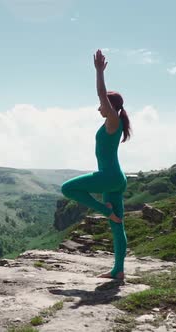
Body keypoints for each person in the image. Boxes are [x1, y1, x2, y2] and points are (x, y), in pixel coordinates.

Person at [60, 49, 132, 280]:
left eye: (102, 104)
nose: (98, 107)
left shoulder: (113, 121)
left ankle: (104, 211)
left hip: (109, 176)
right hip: (114, 179)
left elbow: (102, 94)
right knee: (117, 225)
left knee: (67, 189)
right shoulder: (113, 123)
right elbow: (102, 99)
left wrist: (99, 72)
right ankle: (118, 270)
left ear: (110, 106)